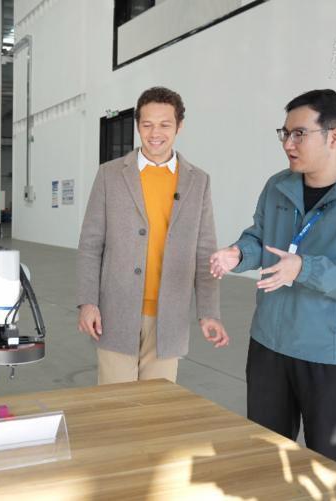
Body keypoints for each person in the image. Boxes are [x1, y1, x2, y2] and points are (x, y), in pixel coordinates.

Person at [209, 89, 336, 467]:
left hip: (327, 352)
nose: (288, 144)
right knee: (265, 451)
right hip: (269, 341)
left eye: (299, 134)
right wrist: (239, 253)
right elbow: (259, 237)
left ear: (334, 136)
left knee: (326, 461)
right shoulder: (278, 186)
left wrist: (303, 268)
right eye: (285, 133)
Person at [76, 86, 228, 385]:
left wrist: (209, 312)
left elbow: (204, 250)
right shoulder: (109, 175)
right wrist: (87, 302)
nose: (155, 133)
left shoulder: (198, 181)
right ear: (137, 126)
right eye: (147, 124)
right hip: (115, 311)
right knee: (116, 403)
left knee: (157, 405)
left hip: (170, 315)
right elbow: (90, 245)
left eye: (164, 124)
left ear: (179, 126)